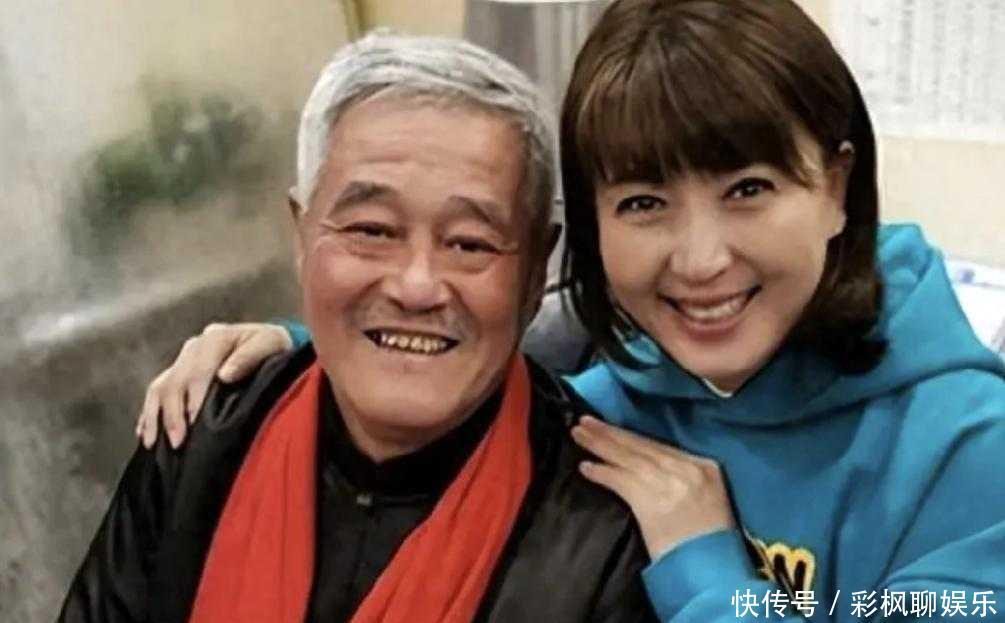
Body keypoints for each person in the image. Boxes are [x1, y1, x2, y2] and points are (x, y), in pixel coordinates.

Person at [135, 1, 1005, 621]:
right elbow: (453, 354)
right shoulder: (602, 399)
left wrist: (708, 572)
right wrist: (300, 349)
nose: (700, 259)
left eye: (747, 189)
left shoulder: (967, 450)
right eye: (643, 203)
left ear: (837, 188)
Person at [58, 33, 659, 623]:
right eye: (371, 230)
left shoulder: (610, 529)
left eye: (469, 243)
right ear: (301, 235)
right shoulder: (201, 432)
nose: (417, 286)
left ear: (534, 273)